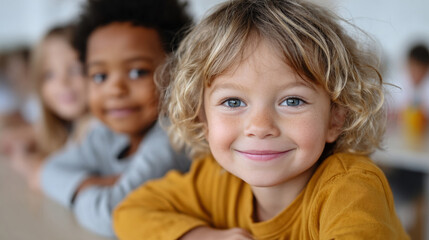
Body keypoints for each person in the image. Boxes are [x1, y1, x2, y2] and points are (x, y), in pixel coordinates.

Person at [113, 0, 409, 239]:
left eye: (292, 101)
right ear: (201, 116)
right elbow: (129, 212)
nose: (260, 126)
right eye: (233, 102)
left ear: (335, 118)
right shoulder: (214, 179)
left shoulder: (351, 188)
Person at [40, 0, 192, 237]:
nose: (115, 89)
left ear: (178, 71)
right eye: (100, 76)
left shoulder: (173, 139)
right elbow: (49, 170)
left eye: (137, 72)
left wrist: (75, 190)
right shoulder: (105, 133)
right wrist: (94, 184)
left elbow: (114, 215)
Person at [0, 26, 91, 190]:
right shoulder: (69, 125)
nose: (62, 83)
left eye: (75, 69)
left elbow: (53, 180)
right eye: (49, 74)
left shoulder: (93, 128)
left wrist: (23, 159)